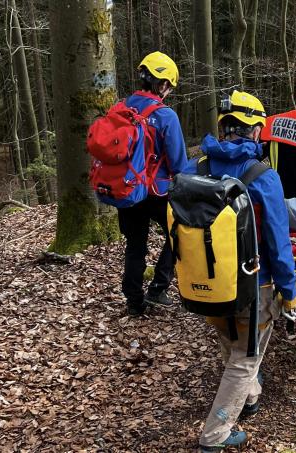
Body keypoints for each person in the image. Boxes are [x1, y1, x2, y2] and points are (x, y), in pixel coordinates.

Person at [184, 91, 296, 452]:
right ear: (256, 130)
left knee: (230, 342)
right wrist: (290, 290)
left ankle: (249, 399)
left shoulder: (195, 168)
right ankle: (215, 435)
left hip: (206, 283)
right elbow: (279, 243)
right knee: (246, 359)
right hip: (255, 285)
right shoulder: (262, 177)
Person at [118, 51, 190, 316]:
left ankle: (134, 301)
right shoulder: (166, 116)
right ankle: (158, 288)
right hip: (157, 192)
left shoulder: (123, 108)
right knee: (179, 234)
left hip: (128, 189)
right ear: (161, 84)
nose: (168, 91)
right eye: (168, 86)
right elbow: (179, 164)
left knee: (135, 244)